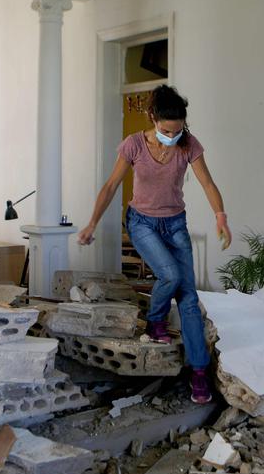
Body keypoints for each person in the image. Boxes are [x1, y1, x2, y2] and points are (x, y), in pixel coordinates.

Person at [77, 85, 231, 404]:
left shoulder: (188, 145)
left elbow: (208, 183)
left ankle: (199, 374)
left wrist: (220, 215)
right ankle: (155, 320)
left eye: (178, 130)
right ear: (153, 118)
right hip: (142, 222)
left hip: (175, 223)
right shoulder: (134, 145)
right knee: (170, 276)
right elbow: (110, 186)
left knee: (189, 298)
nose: (172, 136)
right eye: (166, 130)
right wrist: (92, 222)